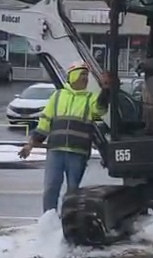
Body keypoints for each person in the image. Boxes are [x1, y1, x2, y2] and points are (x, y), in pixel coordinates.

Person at [19, 62, 107, 213]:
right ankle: (48, 220)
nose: (85, 78)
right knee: (50, 188)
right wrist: (31, 144)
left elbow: (100, 109)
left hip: (78, 153)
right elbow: (45, 122)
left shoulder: (90, 99)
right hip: (56, 152)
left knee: (73, 191)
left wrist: (106, 90)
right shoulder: (58, 96)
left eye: (86, 75)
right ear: (73, 76)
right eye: (82, 75)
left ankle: (69, 219)